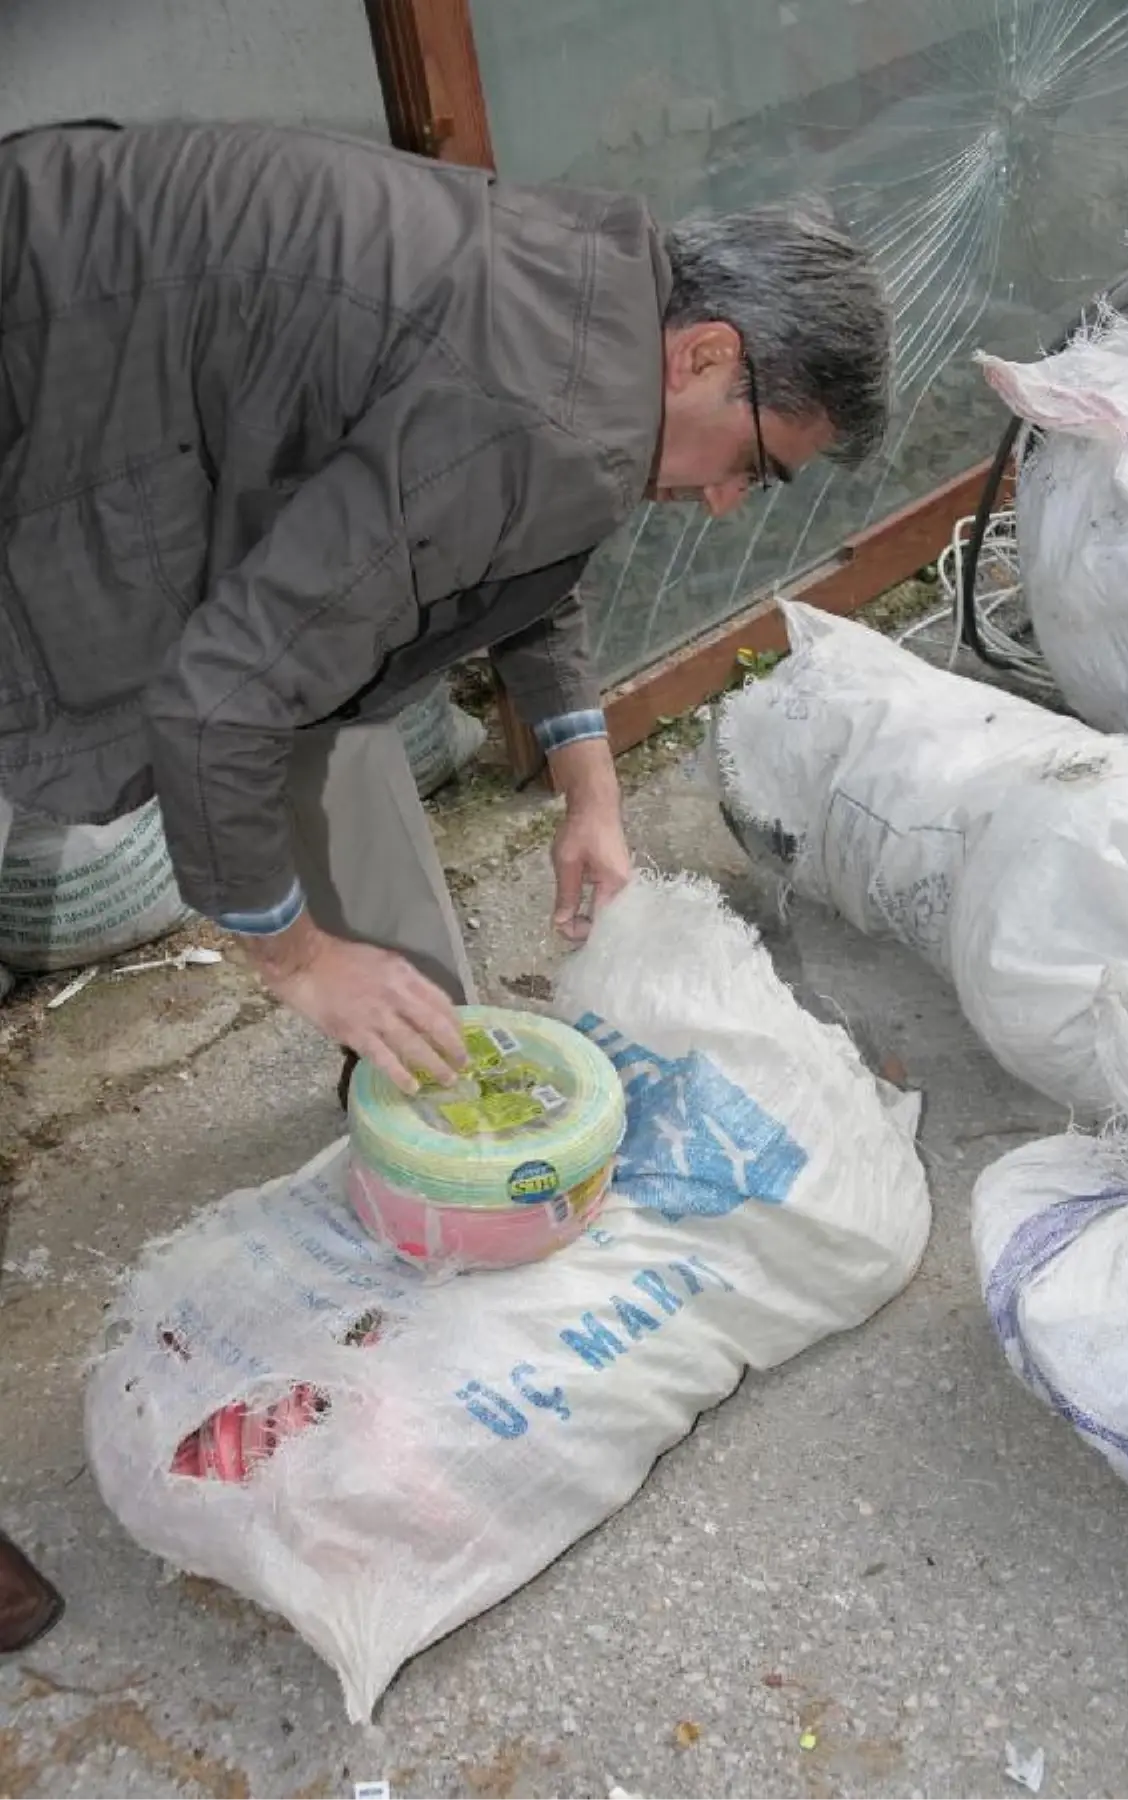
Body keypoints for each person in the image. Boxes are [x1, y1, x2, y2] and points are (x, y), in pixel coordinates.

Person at [0, 119, 891, 1647]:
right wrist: (290, 957)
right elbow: (222, 698)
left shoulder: (600, 298)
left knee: (316, 701)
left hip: (98, 320)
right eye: (755, 463)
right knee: (250, 706)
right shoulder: (550, 401)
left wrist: (589, 782)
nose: (734, 506)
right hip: (52, 356)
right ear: (709, 356)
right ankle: (374, 1021)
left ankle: (410, 1072)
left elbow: (518, 547)